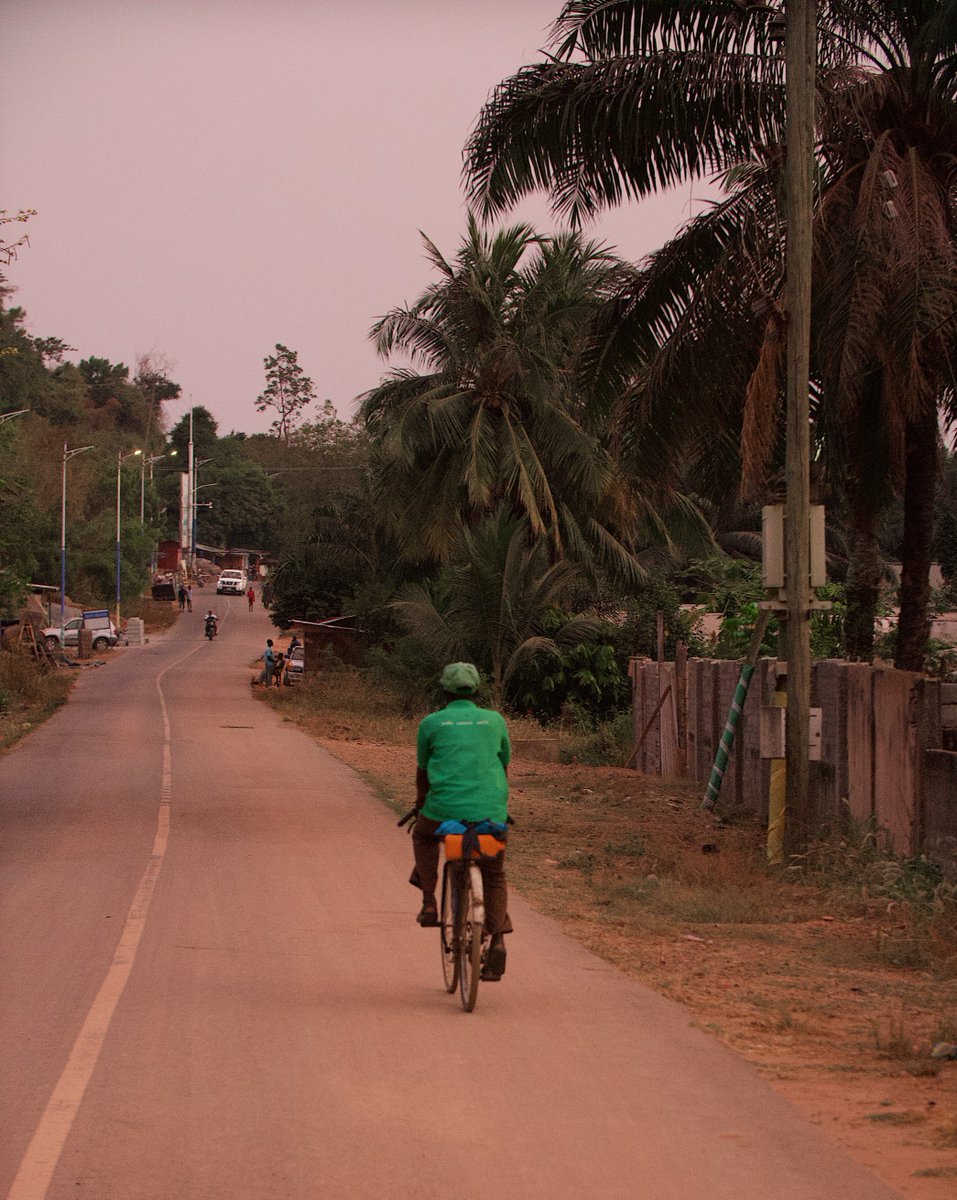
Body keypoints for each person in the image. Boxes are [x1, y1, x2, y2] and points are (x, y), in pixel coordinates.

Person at [410, 662, 512, 981]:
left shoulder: (431, 723)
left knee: (423, 835)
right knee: (494, 871)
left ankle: (429, 902)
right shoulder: (495, 721)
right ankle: (497, 939)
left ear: (445, 690)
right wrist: (496, 805)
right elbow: (502, 766)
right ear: (477, 689)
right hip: (489, 814)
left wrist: (419, 807)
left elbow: (423, 775)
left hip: (443, 811)